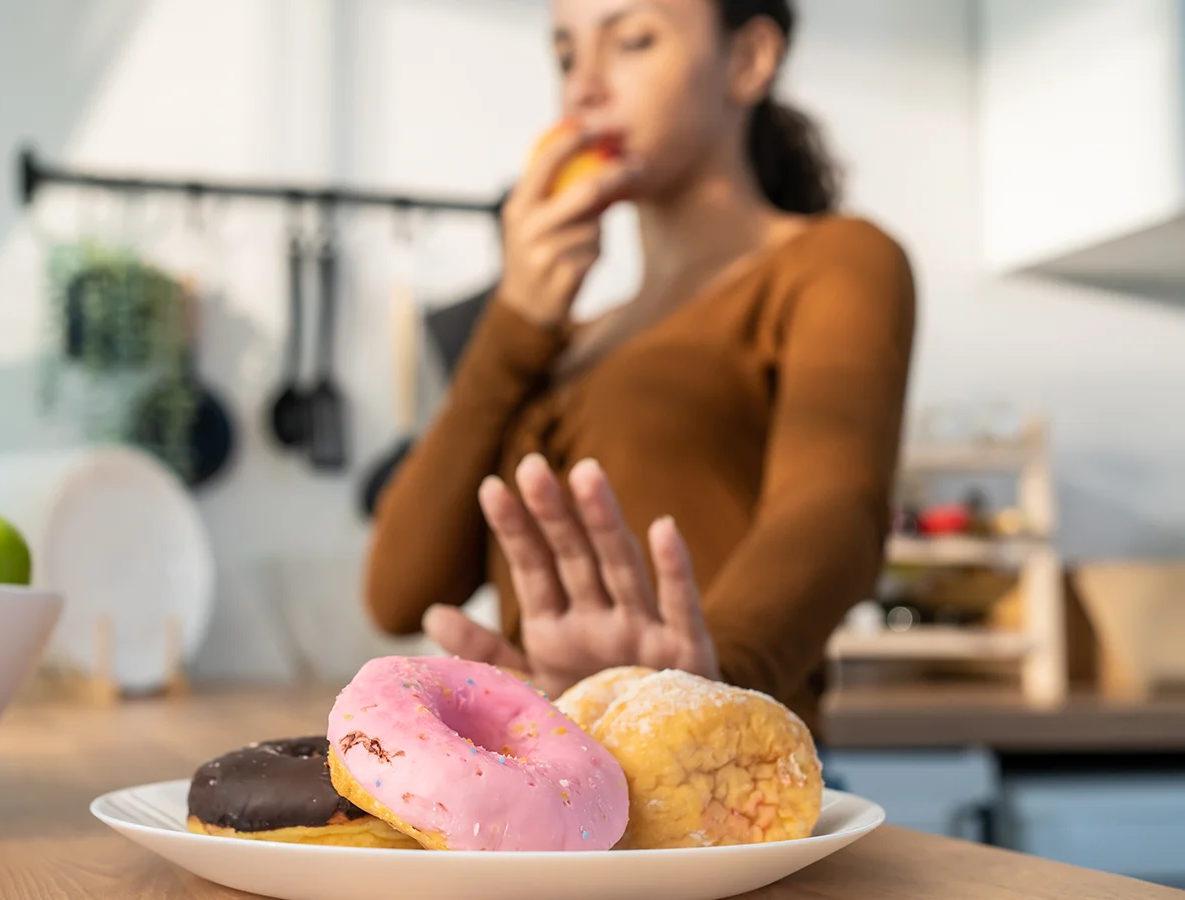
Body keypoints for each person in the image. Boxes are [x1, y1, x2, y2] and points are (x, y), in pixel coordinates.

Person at [364, 0, 916, 737]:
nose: (584, 87)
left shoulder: (833, 261)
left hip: (724, 794)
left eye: (631, 40)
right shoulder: (555, 340)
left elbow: (835, 510)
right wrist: (514, 320)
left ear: (749, 59)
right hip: (562, 798)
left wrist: (697, 688)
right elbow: (400, 594)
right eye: (565, 54)